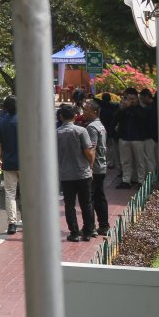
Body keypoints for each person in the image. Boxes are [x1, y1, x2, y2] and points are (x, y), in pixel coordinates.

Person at [55, 104, 96, 242]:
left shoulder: (56, 133)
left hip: (65, 175)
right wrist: (91, 164)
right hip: (82, 173)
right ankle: (88, 231)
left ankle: (74, 232)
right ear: (75, 116)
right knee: (86, 203)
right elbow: (88, 151)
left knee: (69, 204)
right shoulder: (81, 131)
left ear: (61, 117)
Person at [82, 99, 111, 236]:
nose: (83, 112)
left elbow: (91, 149)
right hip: (102, 166)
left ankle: (90, 227)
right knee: (100, 196)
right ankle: (104, 225)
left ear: (94, 111)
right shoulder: (100, 125)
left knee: (90, 198)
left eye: (86, 109)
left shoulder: (92, 127)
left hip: (95, 167)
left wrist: (90, 169)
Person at [0, 96, 21, 234]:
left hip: (9, 163)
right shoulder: (26, 122)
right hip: (26, 163)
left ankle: (12, 223)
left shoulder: (2, 123)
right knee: (27, 193)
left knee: (10, 193)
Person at [115, 89, 144, 188]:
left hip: (137, 138)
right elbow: (116, 118)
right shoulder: (124, 109)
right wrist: (121, 108)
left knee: (139, 161)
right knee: (125, 161)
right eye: (129, 99)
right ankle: (126, 181)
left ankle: (141, 181)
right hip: (124, 138)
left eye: (133, 99)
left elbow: (141, 117)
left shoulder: (140, 109)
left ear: (137, 99)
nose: (131, 101)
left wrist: (131, 107)